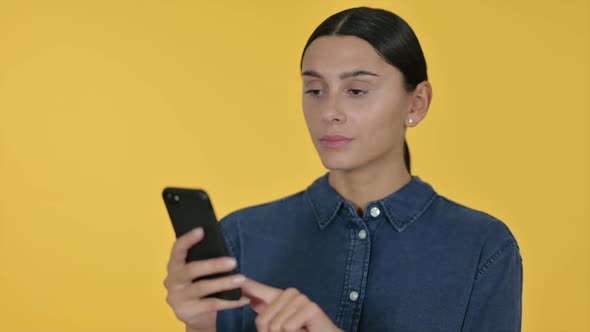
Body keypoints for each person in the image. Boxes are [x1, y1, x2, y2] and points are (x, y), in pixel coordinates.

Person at [164, 6, 523, 332]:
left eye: (356, 90)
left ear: (417, 102)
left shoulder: (483, 247)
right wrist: (200, 327)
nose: (329, 112)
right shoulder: (241, 236)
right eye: (316, 90)